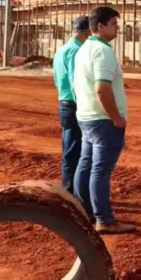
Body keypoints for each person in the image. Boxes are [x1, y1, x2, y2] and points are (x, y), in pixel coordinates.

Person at [72, 6, 135, 235]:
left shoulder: (83, 49)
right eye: (114, 24)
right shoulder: (102, 51)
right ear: (101, 26)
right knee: (99, 171)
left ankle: (84, 212)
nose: (117, 28)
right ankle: (104, 220)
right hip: (103, 120)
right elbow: (102, 89)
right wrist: (116, 118)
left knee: (85, 165)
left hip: (86, 117)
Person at [52, 15, 90, 194]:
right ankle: (71, 192)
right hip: (74, 104)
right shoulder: (77, 51)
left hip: (64, 101)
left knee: (69, 148)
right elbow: (77, 82)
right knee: (75, 151)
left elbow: (57, 79)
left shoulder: (62, 50)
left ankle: (69, 189)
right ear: (88, 31)